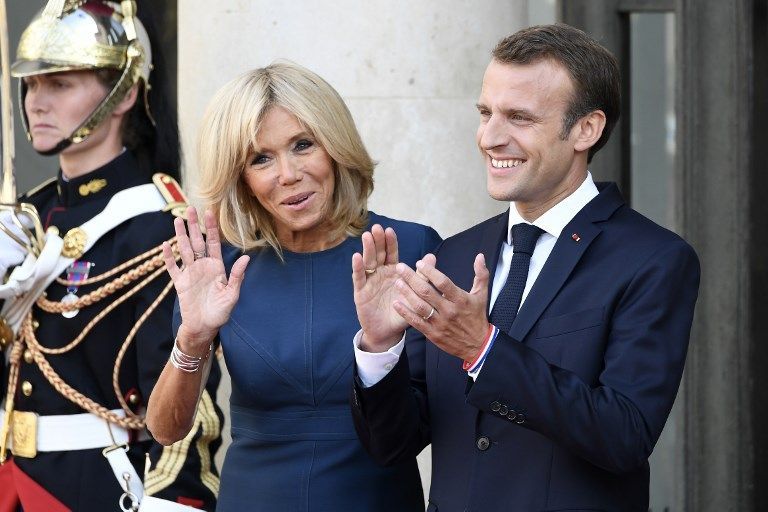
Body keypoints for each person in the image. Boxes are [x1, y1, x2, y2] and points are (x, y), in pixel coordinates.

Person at [350, 23, 700, 512]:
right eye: (485, 113)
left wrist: (482, 348)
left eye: (519, 117)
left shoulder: (653, 260)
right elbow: (392, 445)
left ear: (587, 130)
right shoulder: (453, 255)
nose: (491, 137)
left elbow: (624, 435)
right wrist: (380, 349)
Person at [145, 61, 439, 512]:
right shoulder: (219, 266)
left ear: (336, 146)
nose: (288, 174)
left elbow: (430, 426)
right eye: (261, 159)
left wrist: (381, 350)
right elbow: (166, 429)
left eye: (303, 145)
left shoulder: (409, 249)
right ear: (241, 178)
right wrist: (194, 336)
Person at [0, 1, 222, 510]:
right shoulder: (28, 216)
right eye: (33, 83)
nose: (37, 101)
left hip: (98, 490)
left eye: (61, 83)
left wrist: (175, 502)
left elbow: (188, 407)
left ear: (122, 95)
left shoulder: (159, 227)